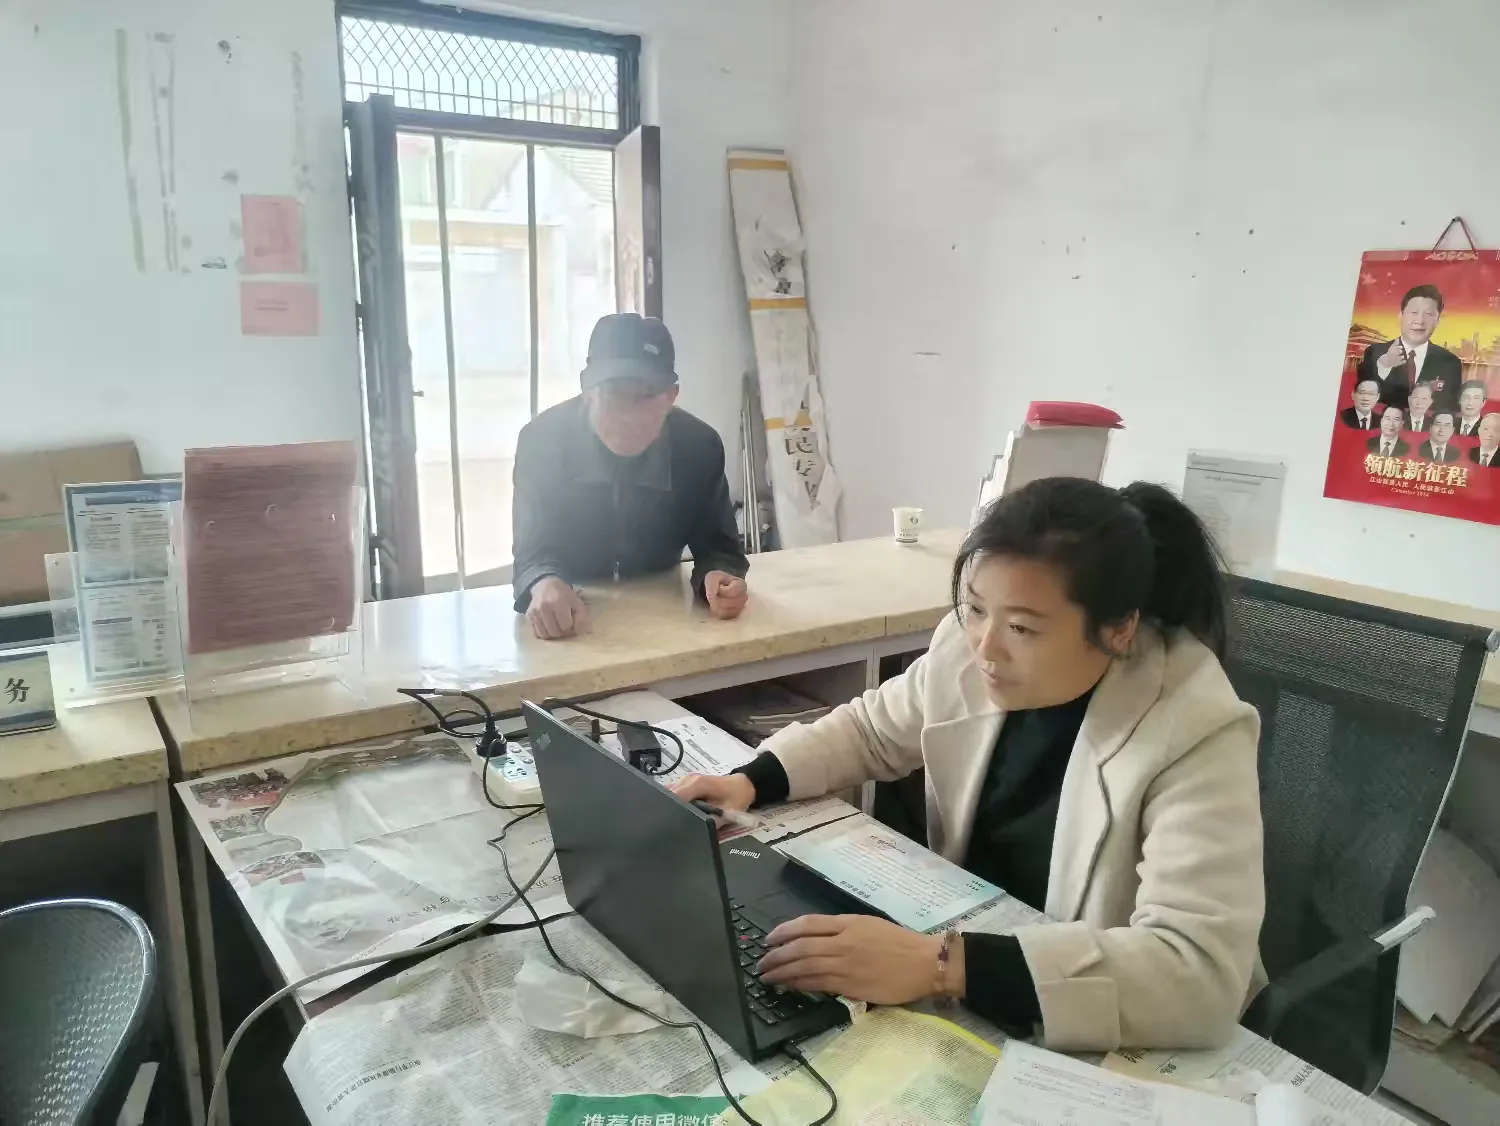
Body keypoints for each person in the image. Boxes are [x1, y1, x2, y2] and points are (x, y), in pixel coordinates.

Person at [676, 478, 1264, 1052]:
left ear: (1119, 629)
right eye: (977, 608)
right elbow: (872, 729)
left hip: (1096, 1008)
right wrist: (749, 780)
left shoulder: (1195, 724)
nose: (986, 646)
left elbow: (1198, 972)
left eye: (1022, 628)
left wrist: (942, 965)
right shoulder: (966, 646)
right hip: (976, 943)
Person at [511, 314, 749, 640]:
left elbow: (720, 546)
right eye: (613, 394)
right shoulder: (541, 441)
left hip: (666, 616)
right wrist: (543, 583)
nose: (628, 416)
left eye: (645, 396)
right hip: (572, 615)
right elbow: (531, 552)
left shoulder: (699, 446)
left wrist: (720, 577)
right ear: (587, 391)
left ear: (671, 396)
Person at [1357, 284, 1463, 409]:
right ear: (1400, 316)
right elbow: (1362, 400)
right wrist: (1384, 365)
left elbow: (1450, 408)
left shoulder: (1450, 363)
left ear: (1437, 320)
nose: (1420, 321)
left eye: (1428, 314)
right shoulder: (1374, 353)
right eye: (1414, 312)